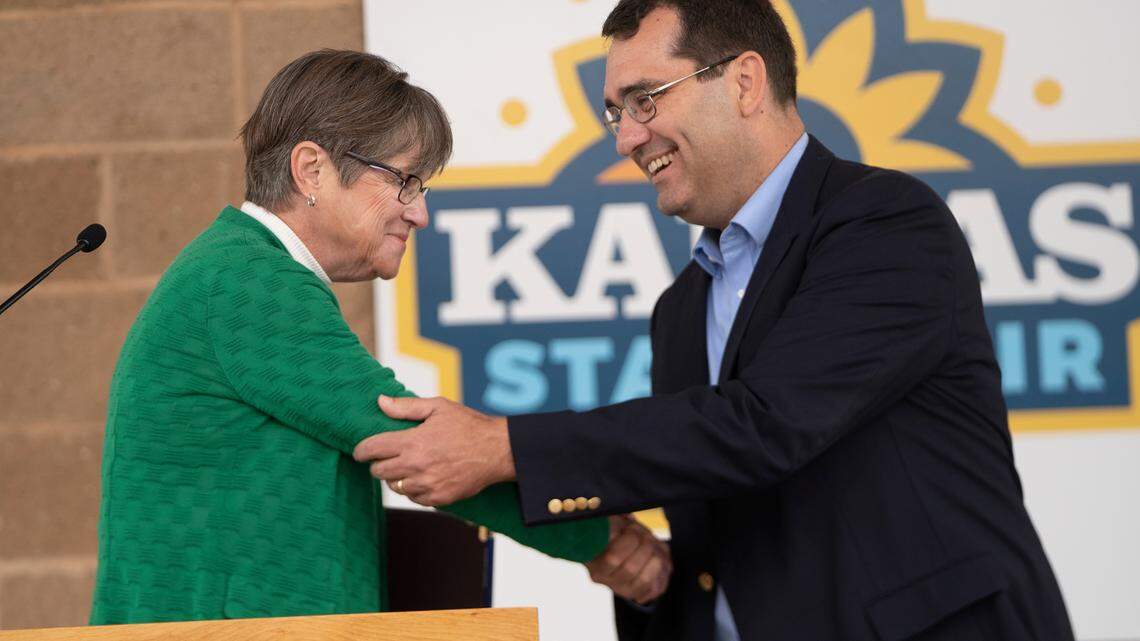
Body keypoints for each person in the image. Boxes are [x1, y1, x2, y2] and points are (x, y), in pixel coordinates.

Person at [352, 2, 1077, 640]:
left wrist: (504, 444)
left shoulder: (885, 223)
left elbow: (767, 425)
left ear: (744, 81)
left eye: (645, 100)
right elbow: (718, 501)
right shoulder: (681, 308)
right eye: (616, 112)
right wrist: (647, 573)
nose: (627, 139)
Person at [89, 49, 668, 624]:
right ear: (311, 170)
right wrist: (599, 540)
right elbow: (415, 445)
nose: (419, 214)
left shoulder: (236, 268)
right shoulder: (247, 280)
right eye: (404, 181)